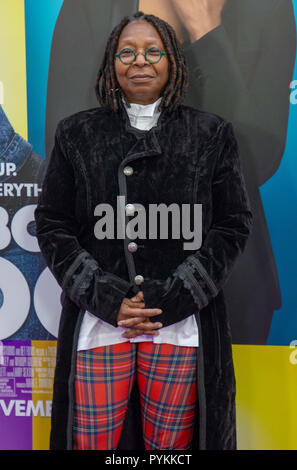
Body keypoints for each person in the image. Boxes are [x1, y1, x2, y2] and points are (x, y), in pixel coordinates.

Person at [35, 11, 252, 450]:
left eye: (153, 52)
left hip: (178, 323)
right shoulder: (77, 133)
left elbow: (232, 226)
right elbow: (53, 224)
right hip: (99, 323)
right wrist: (106, 297)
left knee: (169, 450)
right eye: (128, 52)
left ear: (172, 61)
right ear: (111, 63)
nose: (140, 62)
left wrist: (171, 298)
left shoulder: (210, 134)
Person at [44, 0, 296, 345]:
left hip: (228, 290)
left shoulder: (268, 8)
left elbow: (259, 156)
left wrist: (206, 30)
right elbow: (68, 165)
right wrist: (110, 295)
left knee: (215, 399)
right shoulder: (90, 6)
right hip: (107, 294)